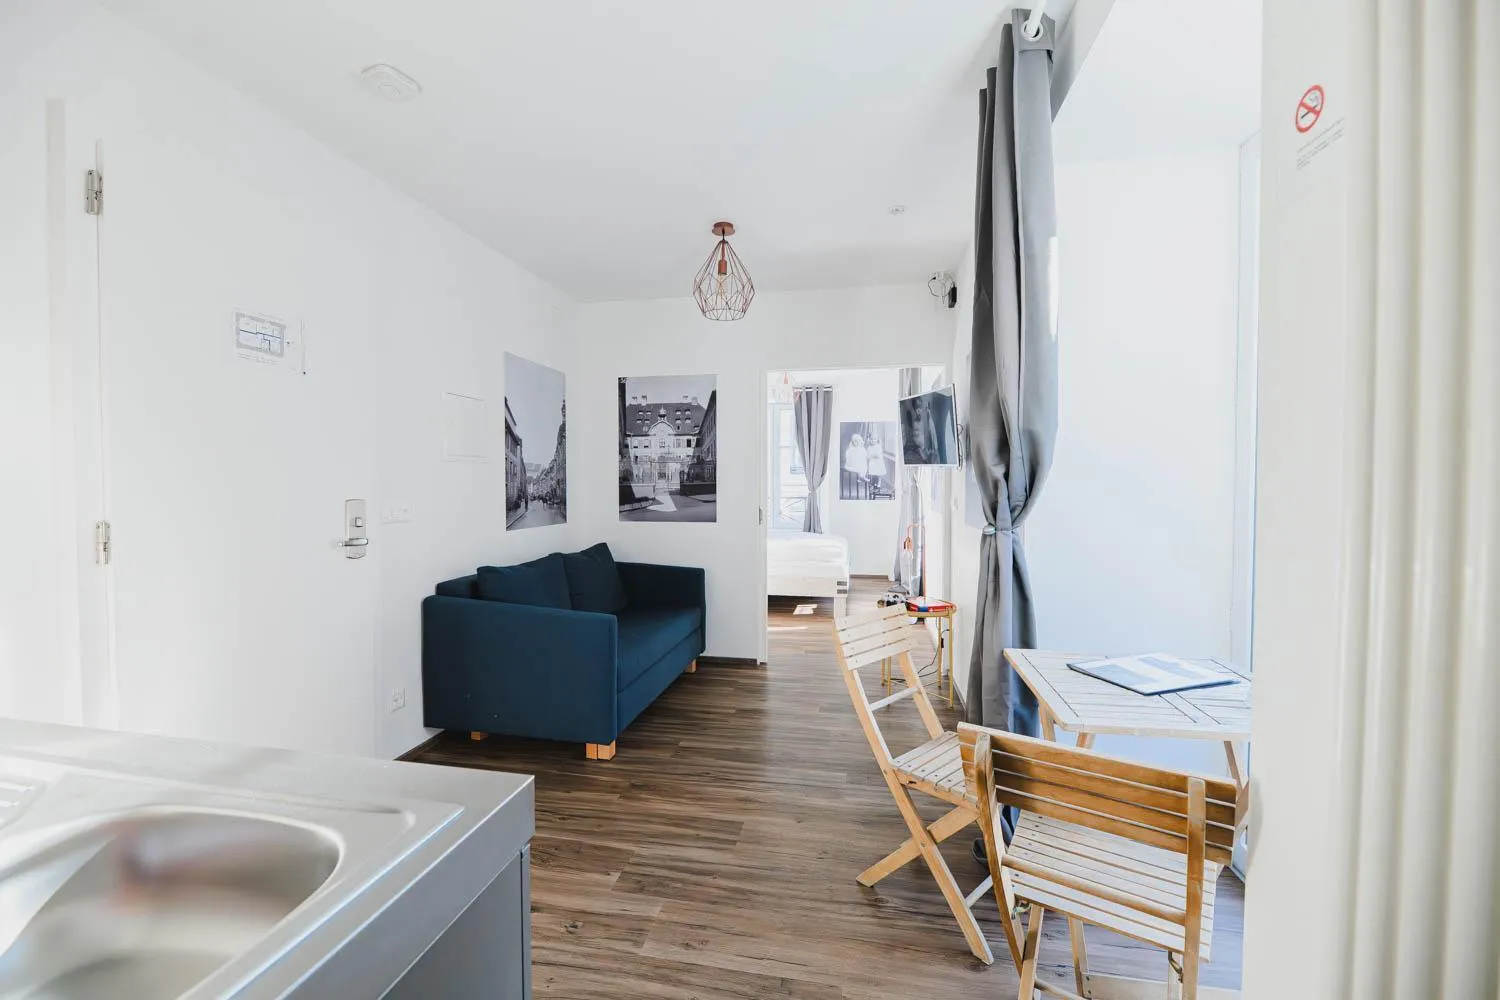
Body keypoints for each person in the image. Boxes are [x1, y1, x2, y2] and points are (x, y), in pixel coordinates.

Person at [864, 427, 888, 497]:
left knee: (878, 476)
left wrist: (872, 455)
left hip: (878, 464)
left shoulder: (878, 447)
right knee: (873, 475)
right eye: (871, 439)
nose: (873, 441)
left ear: (877, 440)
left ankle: (878, 486)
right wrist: (870, 456)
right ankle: (873, 485)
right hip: (872, 464)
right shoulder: (869, 447)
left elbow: (878, 455)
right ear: (869, 439)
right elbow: (867, 455)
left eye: (874, 439)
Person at [842, 432, 867, 499]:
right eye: (855, 441)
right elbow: (847, 457)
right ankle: (861, 476)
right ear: (853, 442)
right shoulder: (850, 449)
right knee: (860, 466)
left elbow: (864, 456)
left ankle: (862, 476)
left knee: (863, 464)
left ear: (860, 442)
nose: (856, 443)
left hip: (859, 463)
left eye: (858, 441)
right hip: (851, 465)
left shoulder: (862, 449)